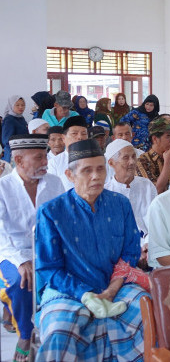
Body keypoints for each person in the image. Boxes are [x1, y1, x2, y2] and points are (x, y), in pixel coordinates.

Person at [35, 139, 149, 361]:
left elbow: (130, 253)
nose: (96, 176)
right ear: (70, 175)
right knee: (60, 331)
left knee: (149, 311)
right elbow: (49, 269)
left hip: (115, 283)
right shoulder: (52, 212)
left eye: (100, 169)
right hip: (67, 290)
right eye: (87, 170)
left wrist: (111, 290)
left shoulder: (120, 204)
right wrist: (85, 295)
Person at [0, 134, 63, 361]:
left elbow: (62, 219)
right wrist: (20, 261)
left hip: (47, 249)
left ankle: (57, 331)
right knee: (21, 281)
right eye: (39, 158)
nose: (46, 162)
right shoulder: (3, 187)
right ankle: (25, 334)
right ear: (18, 160)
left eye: (45, 156)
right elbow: (1, 233)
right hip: (11, 252)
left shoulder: (54, 183)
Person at [104, 139, 157, 246]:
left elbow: (156, 221)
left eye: (133, 156)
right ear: (111, 163)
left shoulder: (147, 185)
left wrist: (148, 243)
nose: (132, 162)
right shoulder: (105, 193)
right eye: (126, 157)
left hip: (150, 245)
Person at [135, 116, 170, 193]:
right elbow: (155, 191)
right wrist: (167, 163)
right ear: (155, 139)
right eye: (168, 136)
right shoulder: (142, 161)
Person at [47, 115, 89, 190]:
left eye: (84, 134)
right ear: (63, 138)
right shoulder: (54, 164)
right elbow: (52, 192)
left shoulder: (99, 160)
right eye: (74, 133)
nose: (80, 137)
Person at [2, 96, 28, 162]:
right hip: (13, 154)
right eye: (17, 105)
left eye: (23, 105)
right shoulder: (9, 119)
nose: (21, 107)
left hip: (22, 152)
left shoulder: (21, 118)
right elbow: (6, 140)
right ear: (11, 105)